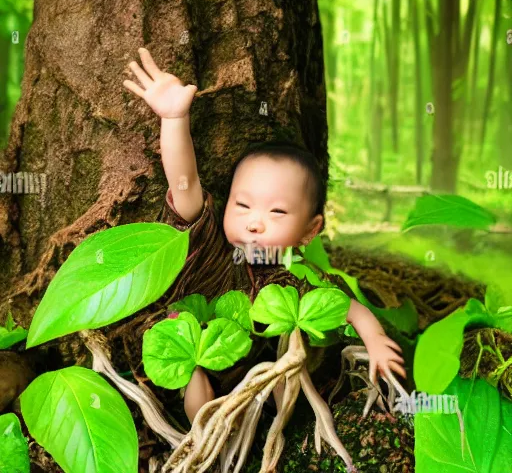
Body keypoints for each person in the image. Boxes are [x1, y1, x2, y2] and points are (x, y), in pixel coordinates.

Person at [123, 47, 406, 425]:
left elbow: (343, 306)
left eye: (276, 212)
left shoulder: (286, 286)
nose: (256, 223)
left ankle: (273, 430)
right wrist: (174, 118)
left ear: (310, 231)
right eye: (242, 206)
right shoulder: (205, 243)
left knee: (286, 364)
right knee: (194, 376)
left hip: (245, 375)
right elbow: (184, 183)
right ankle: (205, 439)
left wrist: (374, 339)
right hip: (183, 346)